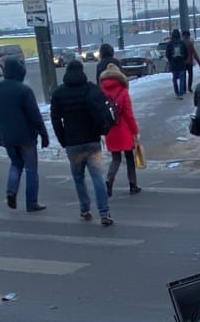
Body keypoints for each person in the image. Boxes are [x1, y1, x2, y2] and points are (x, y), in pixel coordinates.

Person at [49, 60, 115, 225]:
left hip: (73, 142)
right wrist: (103, 131)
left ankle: (85, 209)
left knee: (78, 178)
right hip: (92, 140)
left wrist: (63, 140)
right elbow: (103, 112)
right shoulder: (91, 89)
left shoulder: (59, 93)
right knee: (97, 177)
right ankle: (104, 213)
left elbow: (56, 120)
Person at [0, 56, 48, 212]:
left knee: (16, 164)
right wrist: (43, 134)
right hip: (27, 137)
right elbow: (34, 115)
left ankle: (11, 191)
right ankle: (32, 203)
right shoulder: (24, 90)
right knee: (31, 169)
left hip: (8, 137)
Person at [100, 58, 141, 196]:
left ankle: (109, 180)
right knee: (129, 157)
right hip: (123, 130)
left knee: (115, 158)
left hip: (110, 129)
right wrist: (135, 131)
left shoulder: (102, 92)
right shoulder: (123, 92)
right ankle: (133, 185)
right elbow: (128, 114)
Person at [165, 27, 191, 98]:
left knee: (174, 78)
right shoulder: (182, 43)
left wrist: (171, 60)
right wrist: (184, 60)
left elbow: (167, 54)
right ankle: (181, 93)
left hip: (173, 64)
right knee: (182, 78)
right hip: (181, 63)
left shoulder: (170, 44)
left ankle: (176, 92)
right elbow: (186, 53)